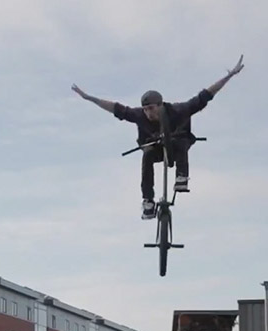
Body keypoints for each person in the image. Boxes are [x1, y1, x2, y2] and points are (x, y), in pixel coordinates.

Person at [72, 56, 245, 220]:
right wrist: (89, 98)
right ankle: (148, 201)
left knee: (181, 142)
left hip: (177, 144)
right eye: (146, 109)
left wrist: (229, 76)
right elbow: (115, 108)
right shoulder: (139, 115)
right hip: (153, 146)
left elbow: (204, 97)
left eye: (152, 108)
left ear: (161, 105)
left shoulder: (177, 110)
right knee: (147, 156)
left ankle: (182, 176)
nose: (149, 113)